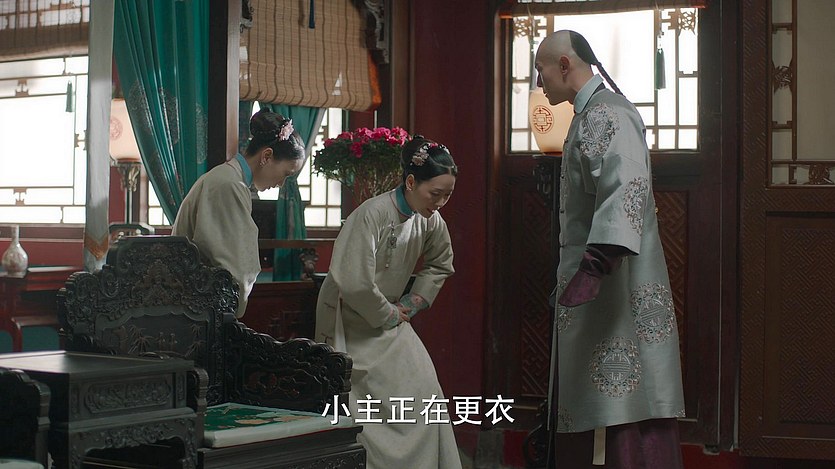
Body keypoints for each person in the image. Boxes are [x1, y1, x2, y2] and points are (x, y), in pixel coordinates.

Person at [535, 30, 686, 468]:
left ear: (565, 64)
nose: (539, 82)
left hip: (610, 279)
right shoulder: (590, 114)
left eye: (542, 69)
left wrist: (595, 265)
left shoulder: (608, 113)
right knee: (601, 395)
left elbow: (625, 189)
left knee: (619, 402)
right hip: (597, 278)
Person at [314, 136, 461, 469]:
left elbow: (441, 262)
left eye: (447, 195)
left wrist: (414, 301)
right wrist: (388, 313)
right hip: (351, 318)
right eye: (435, 193)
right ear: (410, 182)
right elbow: (355, 282)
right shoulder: (372, 214)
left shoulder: (430, 218)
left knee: (425, 387)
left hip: (391, 317)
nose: (440, 202)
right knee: (361, 402)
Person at [172, 109, 305, 318]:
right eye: (285, 174)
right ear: (267, 156)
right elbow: (235, 268)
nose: (281, 183)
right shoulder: (228, 184)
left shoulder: (229, 179)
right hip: (198, 311)